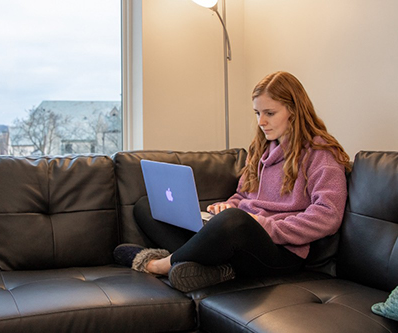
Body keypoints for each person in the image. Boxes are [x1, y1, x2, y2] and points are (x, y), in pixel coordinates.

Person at [114, 71, 351, 293]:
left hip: (282, 252)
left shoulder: (321, 153)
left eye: (269, 113)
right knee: (147, 206)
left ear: (294, 110)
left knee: (234, 222)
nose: (261, 121)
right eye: (257, 113)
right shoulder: (262, 148)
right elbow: (242, 196)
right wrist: (227, 206)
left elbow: (328, 216)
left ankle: (159, 264)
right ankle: (211, 268)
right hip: (242, 238)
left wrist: (266, 226)